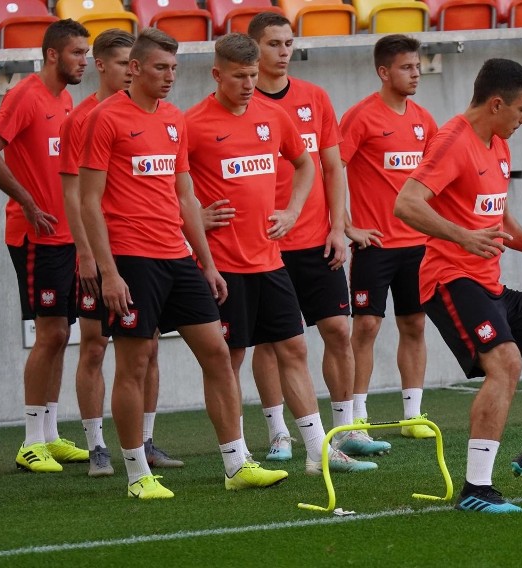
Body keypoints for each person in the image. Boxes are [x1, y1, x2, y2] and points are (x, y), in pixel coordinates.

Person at [78, 28, 287, 499]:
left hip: (177, 256)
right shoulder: (105, 119)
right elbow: (89, 202)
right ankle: (137, 475)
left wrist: (207, 264)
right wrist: (108, 271)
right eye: (159, 67)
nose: (170, 76)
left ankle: (236, 463)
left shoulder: (174, 119)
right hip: (132, 259)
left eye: (174, 68)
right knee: (133, 363)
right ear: (134, 69)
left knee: (217, 352)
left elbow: (185, 195)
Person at [394, 59, 522, 513]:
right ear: (495, 103)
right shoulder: (452, 141)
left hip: (489, 283)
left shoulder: (498, 144)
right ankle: (476, 489)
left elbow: (495, 210)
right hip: (448, 280)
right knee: (505, 362)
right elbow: (406, 204)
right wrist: (462, 237)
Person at [185, 32, 376, 475]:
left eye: (253, 75)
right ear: (217, 74)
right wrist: (192, 218)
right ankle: (237, 458)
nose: (249, 84)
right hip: (224, 266)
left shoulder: (272, 116)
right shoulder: (192, 124)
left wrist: (292, 211)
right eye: (239, 76)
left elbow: (307, 163)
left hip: (270, 261)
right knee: (228, 359)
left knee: (294, 348)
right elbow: (171, 188)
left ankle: (318, 451)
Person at [245, 12, 390, 460]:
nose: (284, 52)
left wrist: (338, 228)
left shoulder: (314, 98)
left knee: (337, 332)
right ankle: (279, 433)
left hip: (317, 241)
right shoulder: (242, 105)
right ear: (253, 49)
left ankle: (345, 430)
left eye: (288, 43)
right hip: (265, 245)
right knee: (273, 342)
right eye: (273, 44)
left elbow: (332, 167)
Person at [59, 28, 183, 478]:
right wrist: (86, 254)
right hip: (102, 253)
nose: (131, 71)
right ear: (105, 66)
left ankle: (145, 441)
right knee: (94, 346)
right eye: (121, 63)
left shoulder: (160, 115)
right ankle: (96, 446)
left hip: (147, 255)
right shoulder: (86, 118)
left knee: (147, 347)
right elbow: (76, 195)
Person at [0, 19, 91, 473]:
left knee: (62, 336)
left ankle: (50, 434)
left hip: (64, 236)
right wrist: (26, 201)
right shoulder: (25, 94)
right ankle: (28, 442)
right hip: (35, 235)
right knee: (49, 336)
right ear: (52, 55)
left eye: (86, 52)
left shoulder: (64, 98)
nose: (84, 60)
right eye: (78, 53)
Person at [339, 34, 438, 439]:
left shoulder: (424, 120)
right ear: (384, 72)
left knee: (414, 324)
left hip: (418, 246)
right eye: (406, 67)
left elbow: (438, 180)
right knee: (365, 327)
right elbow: (330, 172)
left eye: (417, 66)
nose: (415, 73)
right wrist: (346, 226)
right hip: (375, 245)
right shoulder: (360, 117)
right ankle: (357, 416)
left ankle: (412, 416)